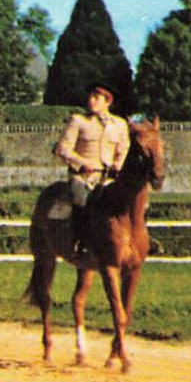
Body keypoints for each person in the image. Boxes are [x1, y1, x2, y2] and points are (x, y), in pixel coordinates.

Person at [54, 80, 130, 255]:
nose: (91, 101)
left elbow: (123, 149)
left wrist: (118, 164)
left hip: (110, 178)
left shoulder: (119, 125)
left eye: (96, 98)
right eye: (90, 97)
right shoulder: (78, 121)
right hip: (84, 177)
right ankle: (80, 240)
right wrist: (81, 164)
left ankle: (137, 238)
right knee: (81, 198)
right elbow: (62, 148)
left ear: (107, 101)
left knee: (135, 198)